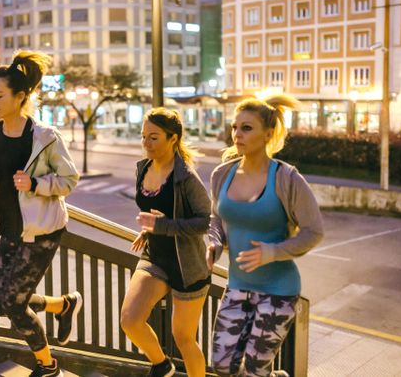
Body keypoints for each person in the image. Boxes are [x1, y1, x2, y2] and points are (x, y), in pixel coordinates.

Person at [0, 50, 81, 377]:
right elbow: (4, 174)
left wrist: (36, 183)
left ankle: (48, 366)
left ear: (20, 96)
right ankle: (63, 305)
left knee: (15, 306)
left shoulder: (45, 138)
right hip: (10, 228)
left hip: (41, 232)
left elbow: (69, 180)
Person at [207, 96, 324, 377]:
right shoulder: (222, 174)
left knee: (256, 368)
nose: (237, 134)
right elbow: (216, 219)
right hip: (237, 286)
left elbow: (314, 231)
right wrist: (213, 242)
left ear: (268, 133)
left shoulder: (286, 178)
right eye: (235, 127)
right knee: (222, 365)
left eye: (246, 128)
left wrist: (273, 252)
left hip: (278, 290)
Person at [121, 107, 212, 377]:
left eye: (154, 137)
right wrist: (150, 230)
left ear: (173, 138)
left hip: (188, 268)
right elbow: (156, 211)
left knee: (183, 338)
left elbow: (205, 221)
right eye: (143, 137)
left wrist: (162, 226)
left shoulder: (186, 178)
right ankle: (162, 365)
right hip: (155, 258)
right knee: (130, 320)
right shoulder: (143, 169)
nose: (146, 144)